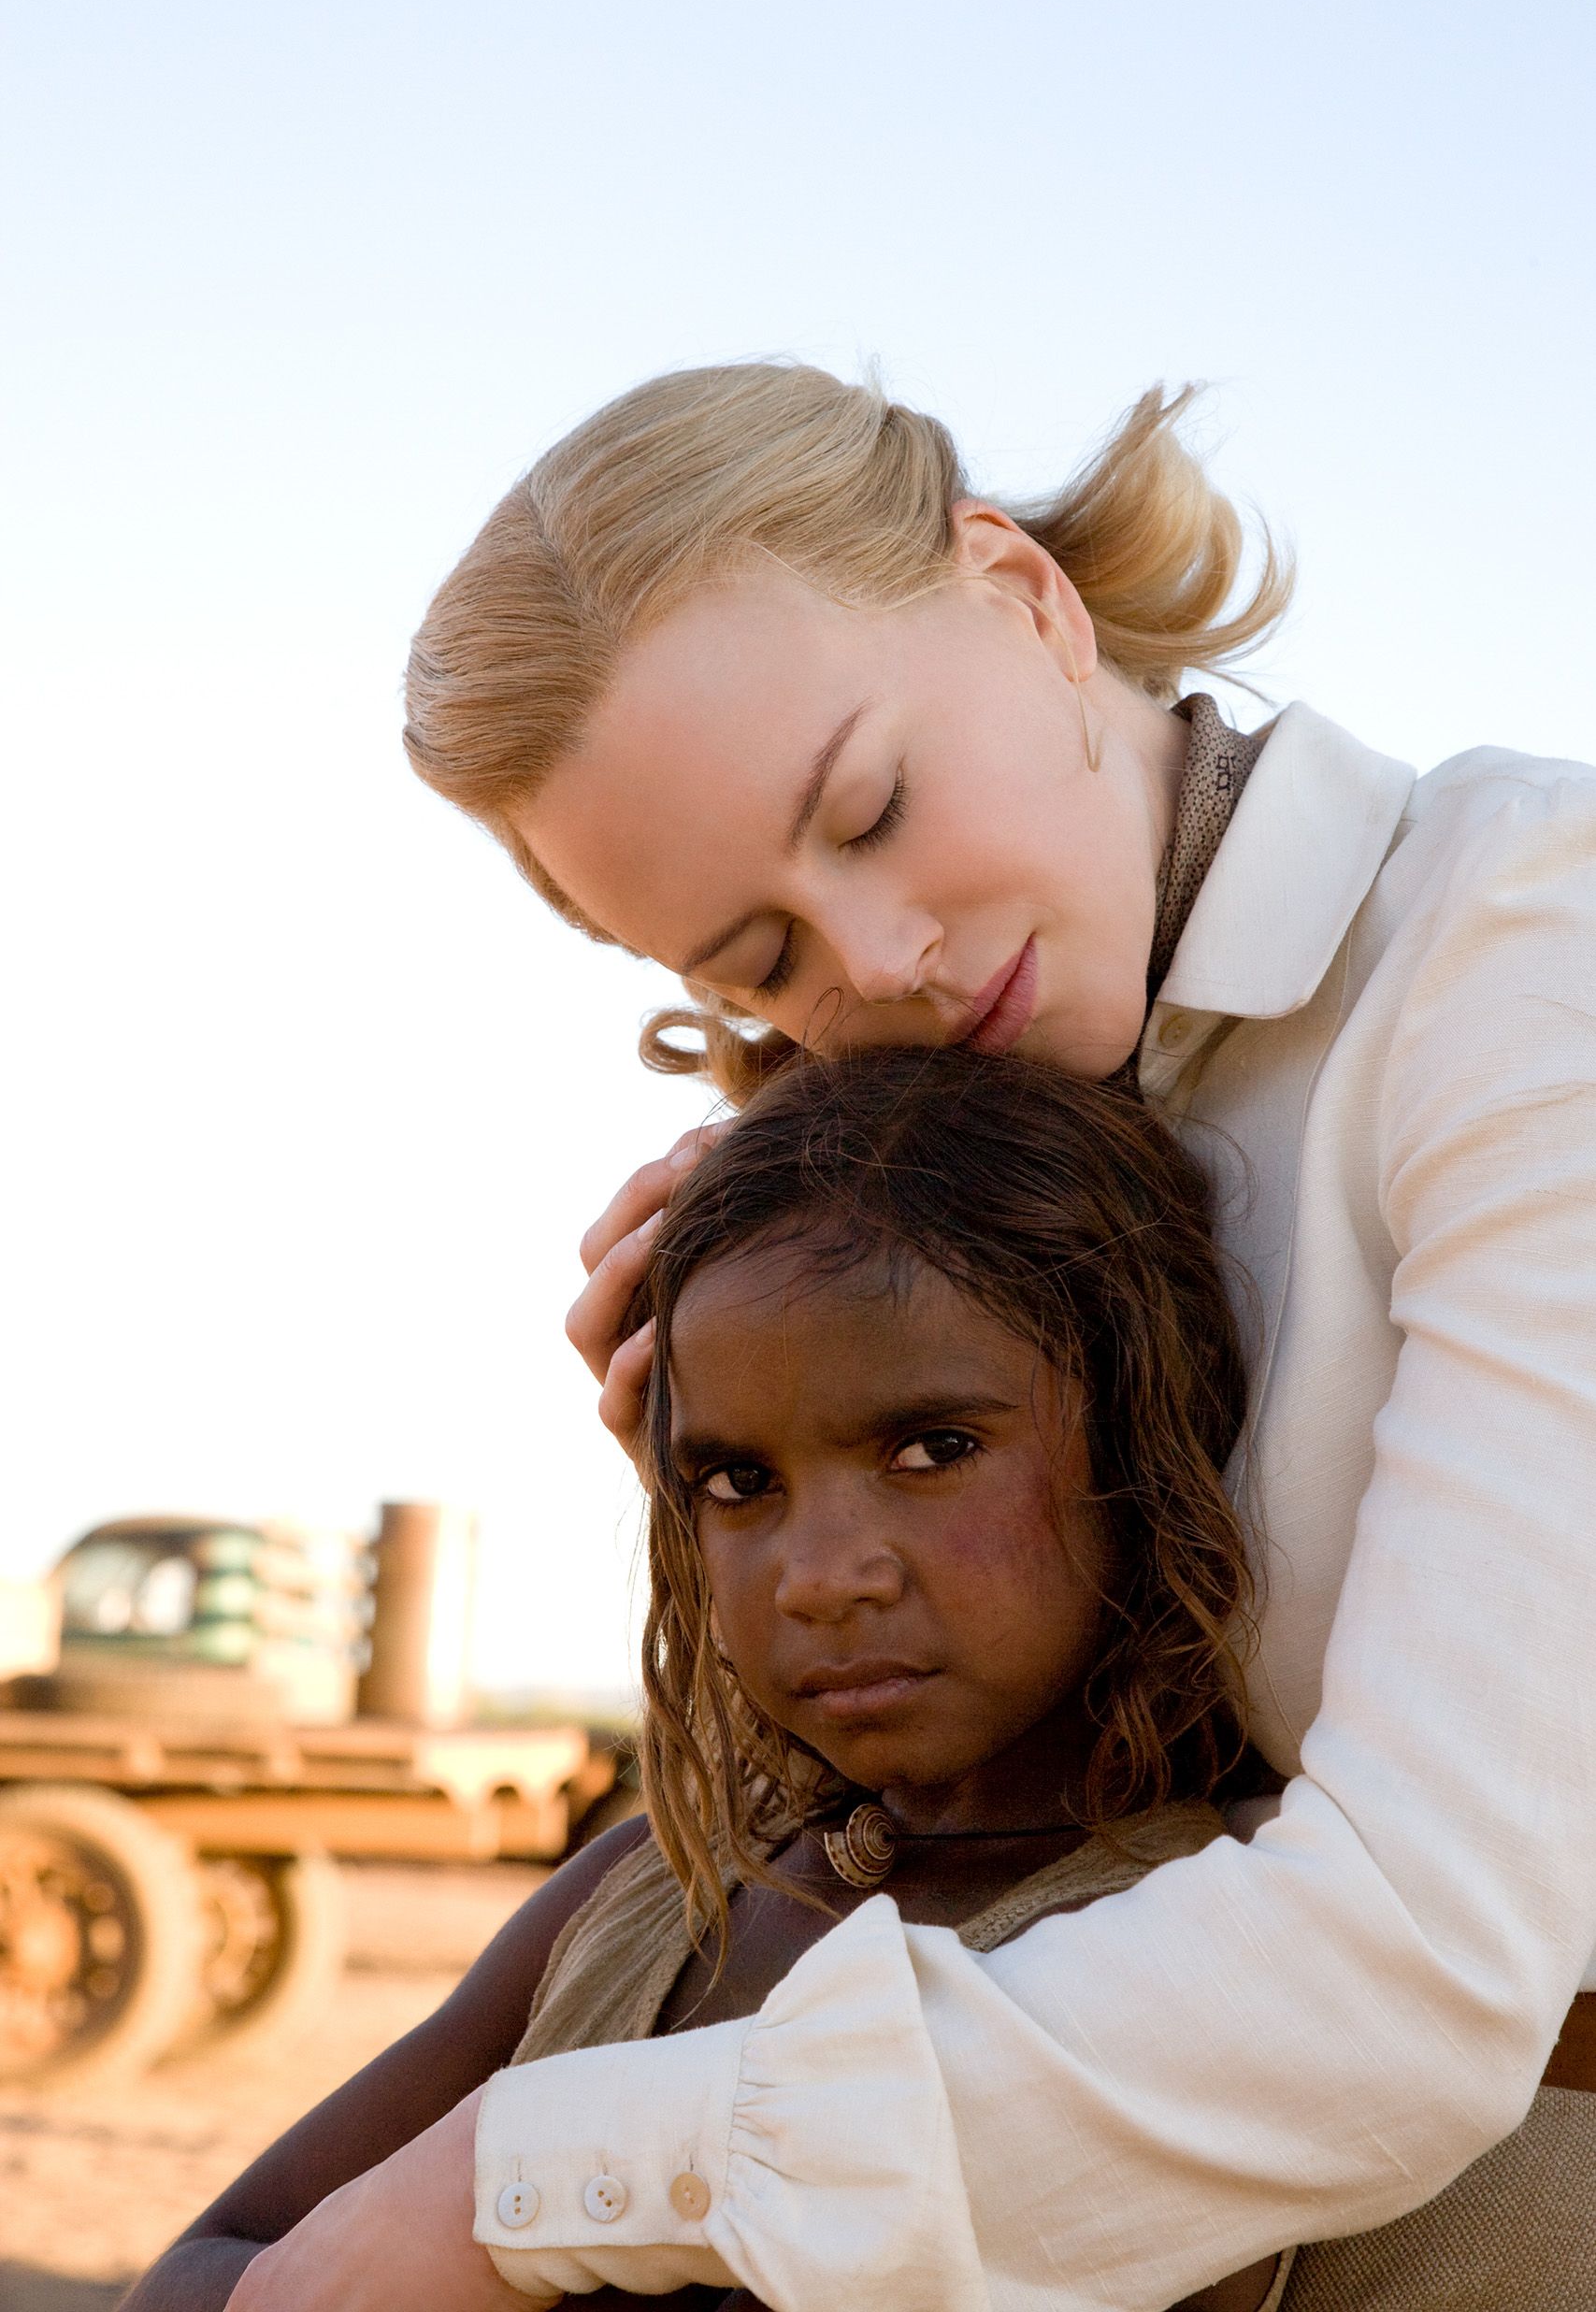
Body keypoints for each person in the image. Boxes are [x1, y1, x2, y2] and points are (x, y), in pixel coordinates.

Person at [150, 359, 1596, 2308]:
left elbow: (1417, 1966)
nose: (879, 960)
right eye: (754, 958)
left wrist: (521, 2177)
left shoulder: (1520, 940)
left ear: (1019, 592)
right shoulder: (1027, 1117)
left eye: (873, 804)